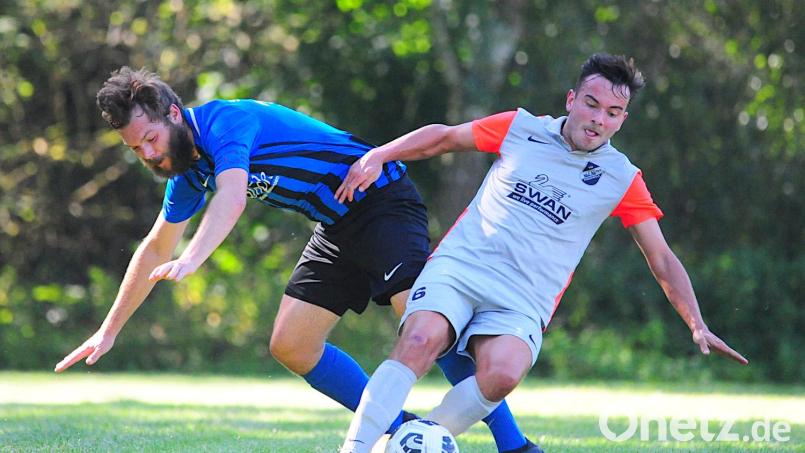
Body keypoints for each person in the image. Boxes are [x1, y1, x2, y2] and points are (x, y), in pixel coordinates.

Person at [53, 67, 542, 453]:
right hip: (336, 226)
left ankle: (515, 445)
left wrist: (195, 256)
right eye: (136, 148)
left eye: (151, 139)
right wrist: (109, 329)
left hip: (382, 199)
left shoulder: (227, 123)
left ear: (174, 114)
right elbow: (156, 245)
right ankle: (399, 429)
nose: (147, 154)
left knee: (420, 322)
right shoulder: (187, 171)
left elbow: (233, 197)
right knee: (291, 345)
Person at [336, 53, 749, 452]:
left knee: (502, 374)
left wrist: (696, 323)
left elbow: (660, 257)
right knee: (420, 339)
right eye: (591, 104)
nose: (598, 119)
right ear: (572, 100)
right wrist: (380, 154)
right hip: (461, 267)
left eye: (612, 112)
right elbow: (443, 138)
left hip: (524, 297)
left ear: (623, 119)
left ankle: (419, 439)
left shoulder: (622, 178)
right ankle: (354, 449)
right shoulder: (519, 127)